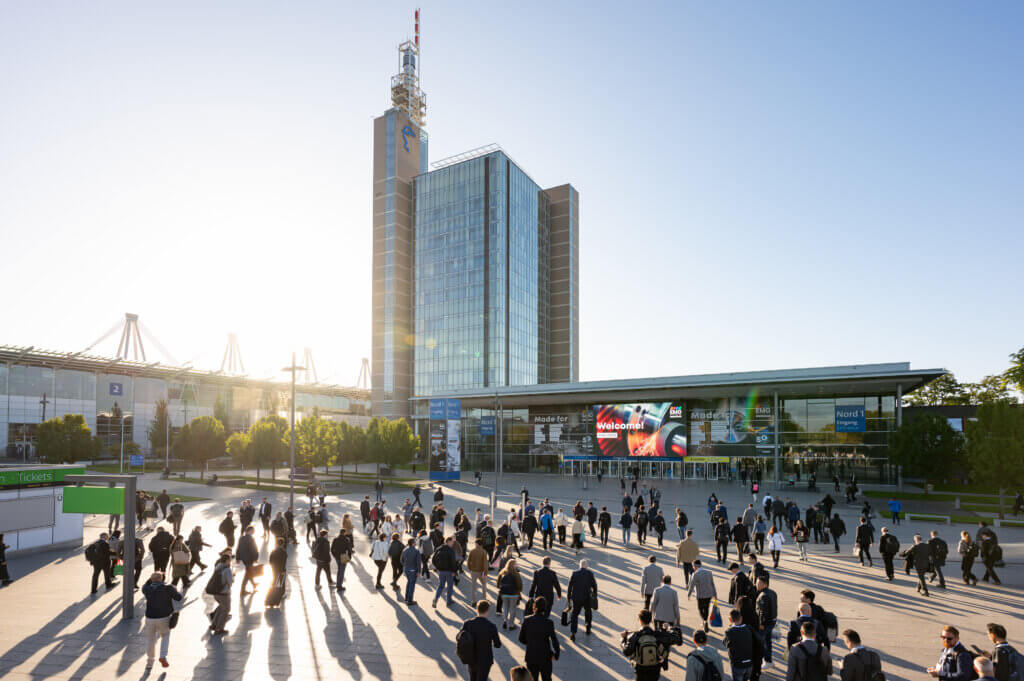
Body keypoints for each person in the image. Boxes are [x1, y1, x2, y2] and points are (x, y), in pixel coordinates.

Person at [141, 571, 182, 670]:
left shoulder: (147, 589)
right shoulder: (168, 588)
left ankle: (150, 662)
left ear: (151, 580)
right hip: (164, 617)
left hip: (150, 617)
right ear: (162, 579)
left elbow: (145, 585)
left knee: (151, 640)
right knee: (165, 635)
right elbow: (178, 598)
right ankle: (163, 656)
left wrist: (153, 577)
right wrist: (175, 589)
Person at [519, 595, 560, 681]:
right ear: (545, 608)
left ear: (534, 606)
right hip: (545, 657)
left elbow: (521, 638)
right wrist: (556, 654)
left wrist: (531, 642)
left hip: (531, 656)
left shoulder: (527, 620)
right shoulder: (549, 622)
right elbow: (554, 640)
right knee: (547, 678)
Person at [459, 600, 501, 681]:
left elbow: (460, 637)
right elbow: (498, 644)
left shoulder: (467, 623)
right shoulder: (491, 626)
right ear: (487, 611)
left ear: (477, 609)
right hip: (485, 659)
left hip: (471, 657)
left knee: (472, 678)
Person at [621, 609, 667, 681]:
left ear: (640, 620)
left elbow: (627, 652)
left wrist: (623, 640)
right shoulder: (656, 634)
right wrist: (666, 629)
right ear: (650, 620)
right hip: (655, 669)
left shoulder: (636, 635)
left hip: (641, 669)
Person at [567, 559, 598, 642]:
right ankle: (588, 628)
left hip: (576, 598)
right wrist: (594, 595)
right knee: (588, 612)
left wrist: (569, 597)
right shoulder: (590, 574)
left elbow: (570, 586)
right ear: (586, 565)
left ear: (580, 565)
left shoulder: (574, 573)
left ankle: (573, 633)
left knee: (575, 614)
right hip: (587, 598)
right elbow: (594, 586)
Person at [686, 559, 717, 633]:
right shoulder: (709, 572)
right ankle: (705, 621)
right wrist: (715, 594)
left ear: (696, 566)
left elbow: (691, 585)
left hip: (700, 595)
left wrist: (689, 594)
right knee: (706, 608)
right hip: (709, 594)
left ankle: (704, 621)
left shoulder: (695, 574)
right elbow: (712, 584)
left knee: (700, 609)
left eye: (693, 566)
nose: (693, 567)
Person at [725, 608, 755, 681]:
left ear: (730, 620)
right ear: (741, 618)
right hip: (749, 663)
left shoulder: (730, 632)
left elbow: (726, 643)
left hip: (738, 664)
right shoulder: (748, 628)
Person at [208, 549, 233, 635]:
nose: (230, 562)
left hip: (216, 592)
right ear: (227, 560)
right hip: (223, 593)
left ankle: (214, 624)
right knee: (226, 609)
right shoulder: (227, 569)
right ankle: (219, 628)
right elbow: (230, 581)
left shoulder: (218, 566)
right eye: (230, 560)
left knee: (221, 607)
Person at [756, 576, 778, 668]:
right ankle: (768, 660)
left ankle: (766, 661)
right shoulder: (773, 592)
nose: (756, 585)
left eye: (758, 583)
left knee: (762, 642)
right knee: (768, 641)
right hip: (772, 621)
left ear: (765, 584)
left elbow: (762, 612)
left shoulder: (763, 596)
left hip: (765, 624)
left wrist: (761, 624)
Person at [432, 536, 459, 608]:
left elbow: (433, 559)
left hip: (441, 571)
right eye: (452, 542)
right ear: (448, 542)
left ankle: (436, 599)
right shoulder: (451, 550)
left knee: (441, 586)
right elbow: (453, 562)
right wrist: (454, 571)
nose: (453, 543)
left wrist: (437, 568)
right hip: (449, 571)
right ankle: (448, 601)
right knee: (450, 586)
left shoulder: (438, 548)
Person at [498, 558, 524, 630]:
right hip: (514, 594)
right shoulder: (516, 573)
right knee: (512, 609)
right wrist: (519, 591)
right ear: (514, 565)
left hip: (504, 593)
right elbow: (519, 585)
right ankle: (511, 625)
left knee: (505, 608)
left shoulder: (502, 572)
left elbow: (498, 583)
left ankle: (505, 621)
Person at [236, 526, 259, 594]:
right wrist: (255, 558)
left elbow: (238, 548)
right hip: (250, 558)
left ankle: (253, 584)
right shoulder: (251, 538)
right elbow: (254, 549)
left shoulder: (241, 538)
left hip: (244, 558)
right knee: (247, 574)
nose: (254, 531)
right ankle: (243, 590)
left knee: (249, 571)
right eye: (253, 530)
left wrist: (238, 558)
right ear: (250, 530)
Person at [467, 538, 490, 604]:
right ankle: (484, 599)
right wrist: (485, 572)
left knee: (473, 586)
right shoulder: (483, 551)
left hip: (473, 571)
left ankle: (473, 601)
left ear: (477, 544)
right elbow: (485, 563)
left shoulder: (472, 551)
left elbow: (468, 561)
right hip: (481, 571)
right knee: (484, 585)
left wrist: (470, 568)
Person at [330, 528, 353, 592]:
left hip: (337, 556)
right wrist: (349, 556)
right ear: (344, 533)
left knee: (339, 570)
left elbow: (332, 549)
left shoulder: (335, 539)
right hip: (343, 556)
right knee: (342, 571)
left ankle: (338, 584)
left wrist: (335, 556)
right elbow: (349, 549)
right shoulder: (346, 539)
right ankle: (339, 586)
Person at [401, 537, 421, 606]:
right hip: (413, 570)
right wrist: (419, 571)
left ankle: (406, 598)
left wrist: (405, 565)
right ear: (413, 543)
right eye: (415, 542)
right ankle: (410, 600)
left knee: (409, 583)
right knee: (412, 585)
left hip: (406, 569)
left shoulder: (405, 550)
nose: (416, 543)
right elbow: (418, 562)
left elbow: (401, 560)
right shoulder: (416, 551)